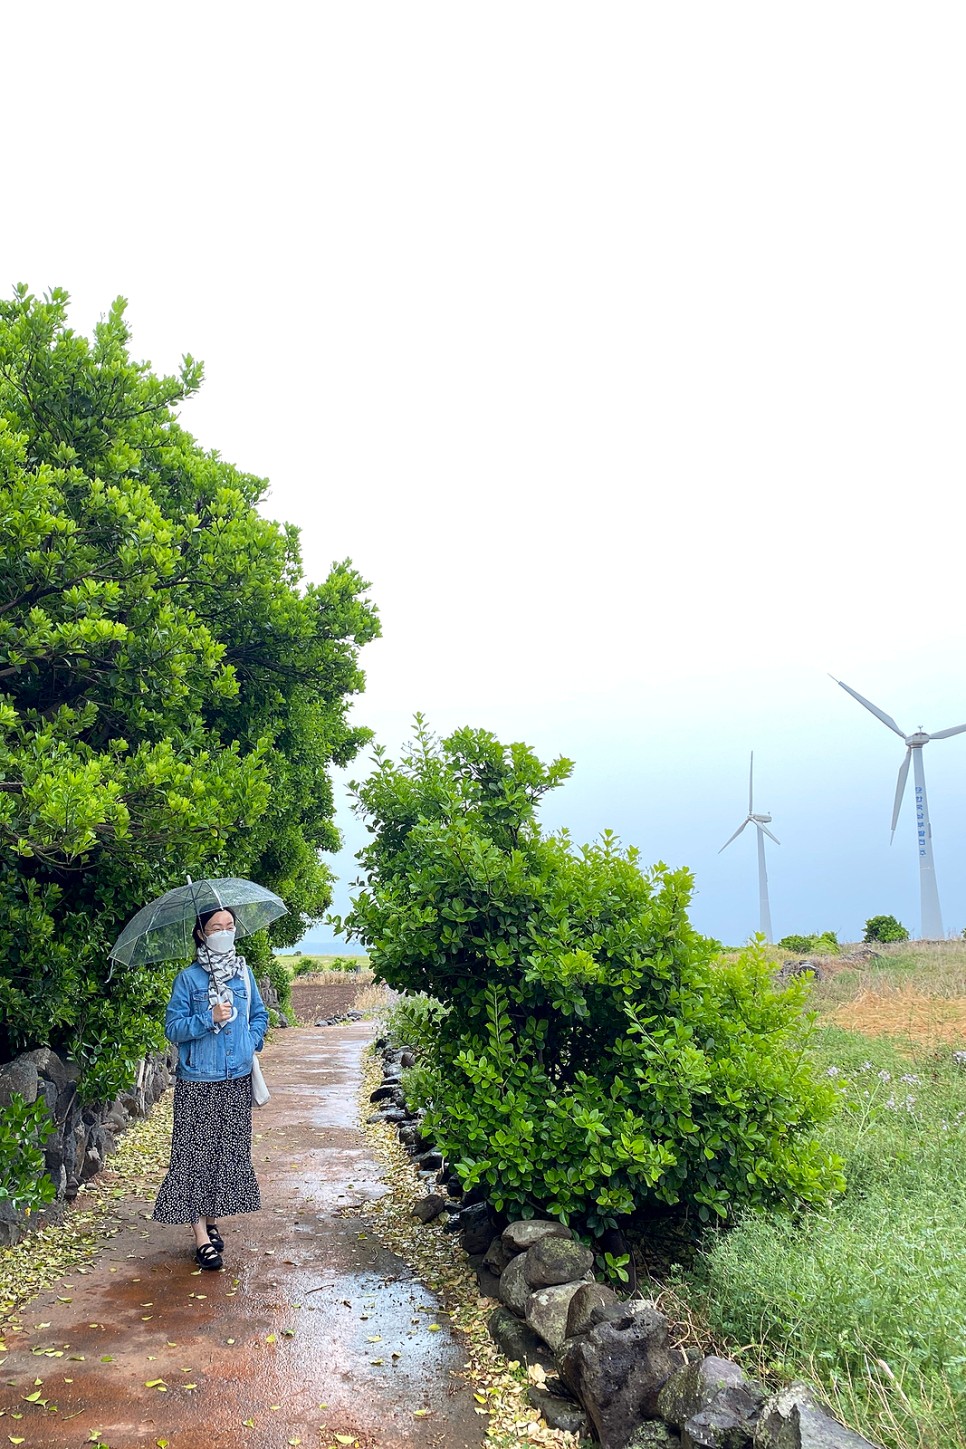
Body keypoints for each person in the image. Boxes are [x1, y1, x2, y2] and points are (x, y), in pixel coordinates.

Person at [152, 907, 269, 1269]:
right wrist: (209, 1018)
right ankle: (200, 1235)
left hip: (236, 1079)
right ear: (201, 934)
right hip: (199, 1081)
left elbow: (259, 1016)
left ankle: (213, 1219)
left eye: (229, 926)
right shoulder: (188, 980)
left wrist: (250, 1041)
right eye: (215, 927)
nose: (224, 932)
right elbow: (173, 1029)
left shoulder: (243, 974)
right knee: (194, 1158)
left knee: (225, 1155)